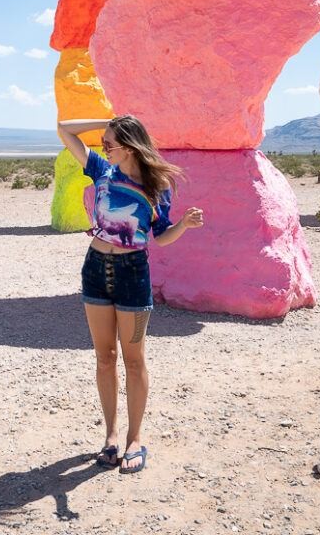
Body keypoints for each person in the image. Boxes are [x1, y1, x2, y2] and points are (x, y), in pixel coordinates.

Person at [57, 115, 204, 475]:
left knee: (134, 359)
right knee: (104, 358)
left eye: (109, 141)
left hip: (132, 273)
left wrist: (182, 226)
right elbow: (65, 128)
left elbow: (161, 235)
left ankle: (134, 440)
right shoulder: (102, 171)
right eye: (104, 142)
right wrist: (107, 120)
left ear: (129, 144)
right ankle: (110, 436)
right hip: (95, 269)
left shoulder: (158, 185)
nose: (103, 147)